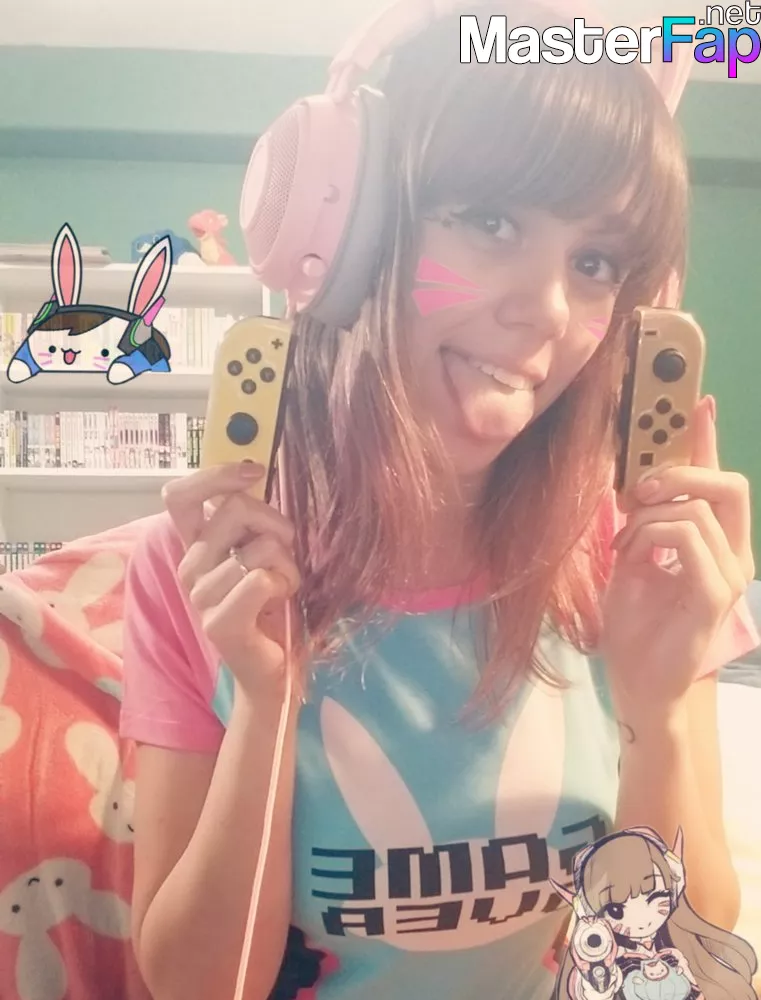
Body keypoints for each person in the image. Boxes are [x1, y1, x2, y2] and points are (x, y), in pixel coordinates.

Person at [119, 2, 760, 999]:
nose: (547, 309)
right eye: (492, 221)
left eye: (594, 262)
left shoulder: (636, 557)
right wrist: (264, 708)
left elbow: (682, 977)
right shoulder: (200, 569)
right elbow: (200, 989)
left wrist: (657, 711)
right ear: (354, 224)